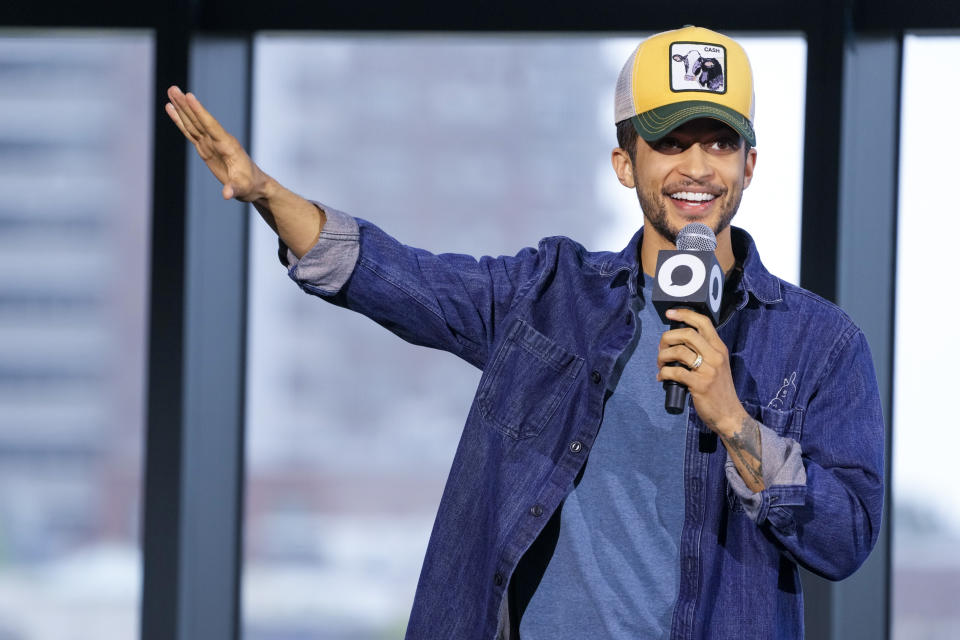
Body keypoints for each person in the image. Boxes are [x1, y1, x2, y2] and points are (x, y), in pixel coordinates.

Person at [166, 25, 884, 640]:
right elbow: (400, 278)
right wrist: (267, 193)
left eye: (720, 144)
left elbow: (846, 536)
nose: (696, 168)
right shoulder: (550, 295)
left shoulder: (821, 344)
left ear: (749, 165)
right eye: (671, 143)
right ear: (625, 161)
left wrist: (734, 422)